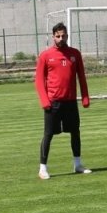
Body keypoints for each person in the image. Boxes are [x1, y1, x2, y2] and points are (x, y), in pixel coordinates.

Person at [34, 22, 91, 180]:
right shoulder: (46, 55)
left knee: (75, 132)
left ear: (67, 36)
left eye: (63, 35)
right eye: (58, 36)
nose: (61, 38)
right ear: (53, 37)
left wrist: (85, 96)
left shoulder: (75, 54)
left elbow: (82, 77)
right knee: (48, 134)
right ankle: (43, 168)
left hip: (70, 101)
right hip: (53, 102)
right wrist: (45, 100)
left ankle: (78, 164)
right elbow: (39, 80)